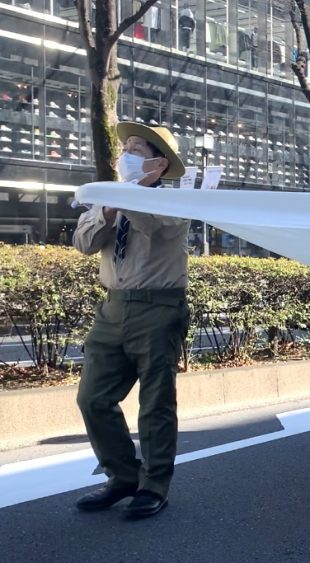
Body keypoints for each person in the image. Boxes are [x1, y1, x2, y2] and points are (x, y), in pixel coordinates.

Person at [72, 123, 190, 519]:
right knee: (92, 397)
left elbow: (153, 226)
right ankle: (123, 476)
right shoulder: (112, 197)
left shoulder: (175, 202)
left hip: (159, 307)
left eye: (136, 148)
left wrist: (134, 191)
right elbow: (84, 243)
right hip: (112, 307)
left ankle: (155, 484)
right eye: (125, 147)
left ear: (158, 161)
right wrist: (111, 204)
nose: (126, 153)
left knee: (155, 402)